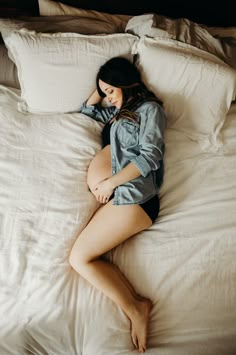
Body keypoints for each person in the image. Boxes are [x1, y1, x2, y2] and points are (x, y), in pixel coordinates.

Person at [69, 57, 165, 353]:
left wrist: (110, 183)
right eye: (106, 93)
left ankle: (137, 308)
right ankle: (136, 305)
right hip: (123, 198)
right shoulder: (115, 114)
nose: (108, 98)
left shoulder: (149, 109)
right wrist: (102, 88)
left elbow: (150, 156)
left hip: (134, 197)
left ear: (127, 82)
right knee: (83, 257)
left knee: (79, 258)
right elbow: (87, 110)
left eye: (112, 90)